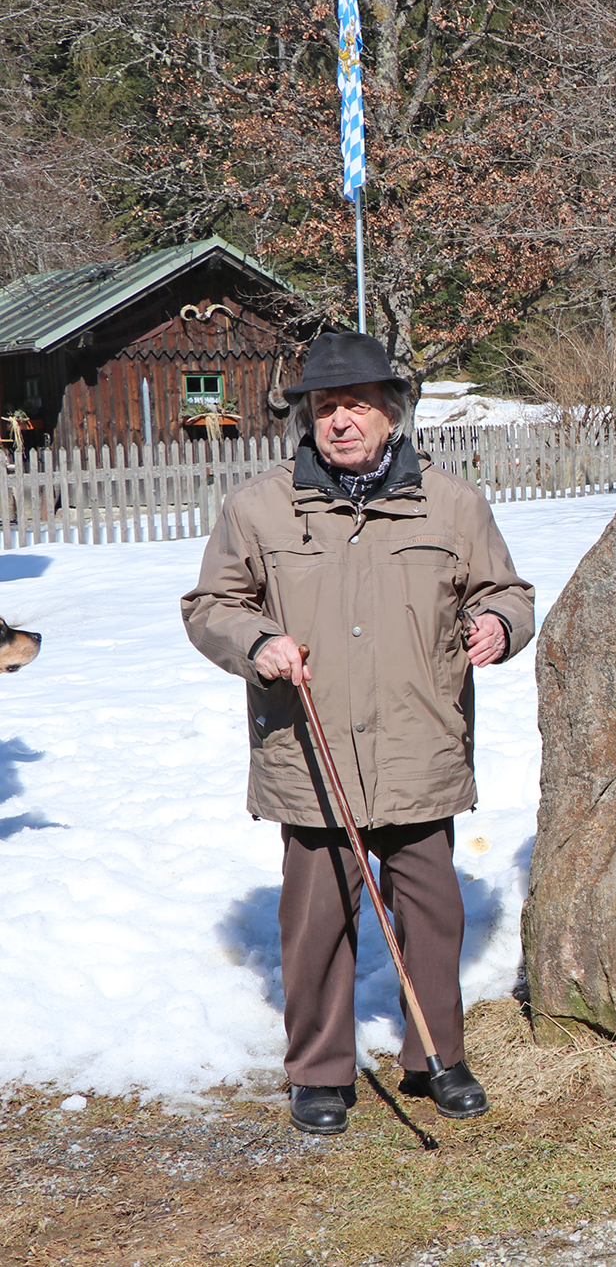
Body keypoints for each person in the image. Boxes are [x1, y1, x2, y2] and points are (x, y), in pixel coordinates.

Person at [183, 332, 535, 1137]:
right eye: (324, 407)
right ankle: (319, 1071)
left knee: (434, 914)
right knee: (314, 923)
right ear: (308, 417)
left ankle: (438, 1057)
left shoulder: (451, 502)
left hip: (419, 744)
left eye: (356, 405)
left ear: (390, 412)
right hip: (311, 753)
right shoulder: (260, 507)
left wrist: (497, 624)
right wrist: (256, 643)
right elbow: (210, 607)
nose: (340, 421)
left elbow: (508, 591)